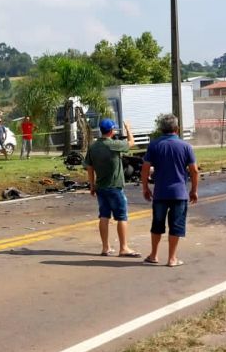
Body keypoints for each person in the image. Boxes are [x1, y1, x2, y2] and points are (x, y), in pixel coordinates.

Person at [140, 114, 199, 267]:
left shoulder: (154, 145)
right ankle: (172, 258)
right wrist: (194, 190)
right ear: (177, 128)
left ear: (161, 129)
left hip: (160, 193)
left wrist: (145, 187)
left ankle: (154, 255)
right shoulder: (185, 146)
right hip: (179, 193)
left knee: (157, 224)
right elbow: (194, 171)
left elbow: (145, 169)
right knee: (176, 225)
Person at [84, 118, 140, 258]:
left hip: (100, 187)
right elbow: (131, 143)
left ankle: (105, 247)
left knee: (104, 216)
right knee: (121, 216)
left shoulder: (93, 147)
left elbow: (89, 168)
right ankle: (124, 248)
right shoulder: (114, 144)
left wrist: (92, 185)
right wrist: (128, 129)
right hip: (114, 187)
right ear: (111, 131)